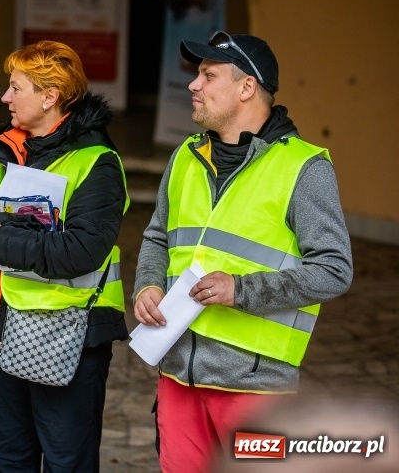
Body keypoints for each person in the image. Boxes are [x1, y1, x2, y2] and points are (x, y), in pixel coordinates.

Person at [131, 31, 354, 472]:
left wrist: (242, 290)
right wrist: (147, 285)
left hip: (255, 388)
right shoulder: (185, 158)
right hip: (177, 375)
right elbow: (157, 236)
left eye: (208, 75)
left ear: (246, 87)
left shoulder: (304, 168)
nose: (194, 85)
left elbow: (334, 270)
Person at [0, 40, 130, 471]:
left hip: (65, 336)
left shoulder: (96, 162)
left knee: (67, 462)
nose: (5, 97)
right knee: (7, 460)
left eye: (15, 88)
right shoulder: (0, 149)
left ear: (50, 96)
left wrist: (1, 241)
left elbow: (83, 250)